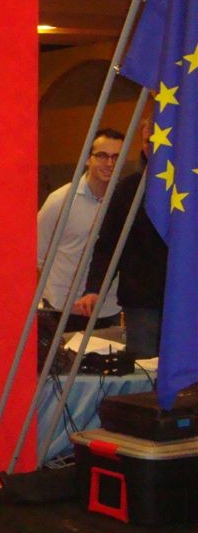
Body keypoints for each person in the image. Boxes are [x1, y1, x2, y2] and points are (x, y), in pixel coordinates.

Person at [76, 117, 167, 358]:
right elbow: (107, 245)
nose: (154, 146)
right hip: (141, 304)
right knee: (143, 370)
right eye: (149, 141)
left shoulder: (190, 187)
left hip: (185, 298)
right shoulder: (127, 190)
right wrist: (94, 289)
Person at [37, 129, 124, 332]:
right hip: (63, 309)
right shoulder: (60, 201)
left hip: (108, 308)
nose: (109, 163)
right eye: (102, 156)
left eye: (116, 157)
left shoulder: (125, 201)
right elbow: (36, 255)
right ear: (87, 158)